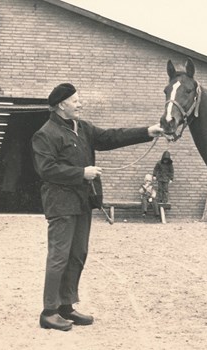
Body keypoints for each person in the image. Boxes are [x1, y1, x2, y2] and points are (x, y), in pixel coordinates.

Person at [32, 83, 163, 331]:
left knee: (78, 254)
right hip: (61, 204)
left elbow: (111, 137)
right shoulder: (45, 134)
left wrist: (148, 131)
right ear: (62, 105)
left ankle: (66, 306)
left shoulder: (82, 128)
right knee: (59, 257)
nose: (80, 104)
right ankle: (49, 312)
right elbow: (46, 170)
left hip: (82, 202)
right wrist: (81, 172)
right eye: (75, 101)